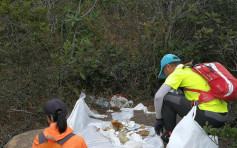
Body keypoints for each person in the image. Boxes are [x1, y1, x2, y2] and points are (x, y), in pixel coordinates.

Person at [154, 54, 228, 143]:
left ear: (168, 67)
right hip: (222, 117)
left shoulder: (178, 72)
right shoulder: (192, 70)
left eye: (164, 72)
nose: (166, 76)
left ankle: (170, 135)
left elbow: (158, 97)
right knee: (177, 96)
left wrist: (159, 119)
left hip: (208, 117)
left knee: (166, 98)